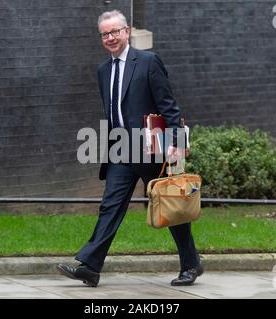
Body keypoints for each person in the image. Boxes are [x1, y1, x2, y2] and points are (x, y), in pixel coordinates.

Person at [57, 10, 202, 287]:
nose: (110, 38)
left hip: (151, 150)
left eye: (115, 32)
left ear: (127, 31)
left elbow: (169, 105)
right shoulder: (103, 70)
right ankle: (90, 266)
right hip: (121, 151)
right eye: (105, 34)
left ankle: (191, 264)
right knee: (110, 206)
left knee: (169, 205)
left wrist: (176, 144)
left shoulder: (148, 62)